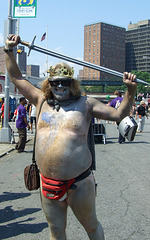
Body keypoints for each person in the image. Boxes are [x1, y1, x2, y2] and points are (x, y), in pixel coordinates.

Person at [4, 34, 137, 240]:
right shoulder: (40, 101)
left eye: (64, 82)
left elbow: (119, 115)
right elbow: (17, 78)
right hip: (47, 183)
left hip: (80, 183)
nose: (59, 86)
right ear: (49, 83)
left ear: (71, 83)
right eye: (55, 82)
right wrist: (9, 50)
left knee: (92, 227)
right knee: (56, 232)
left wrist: (131, 90)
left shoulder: (86, 104)